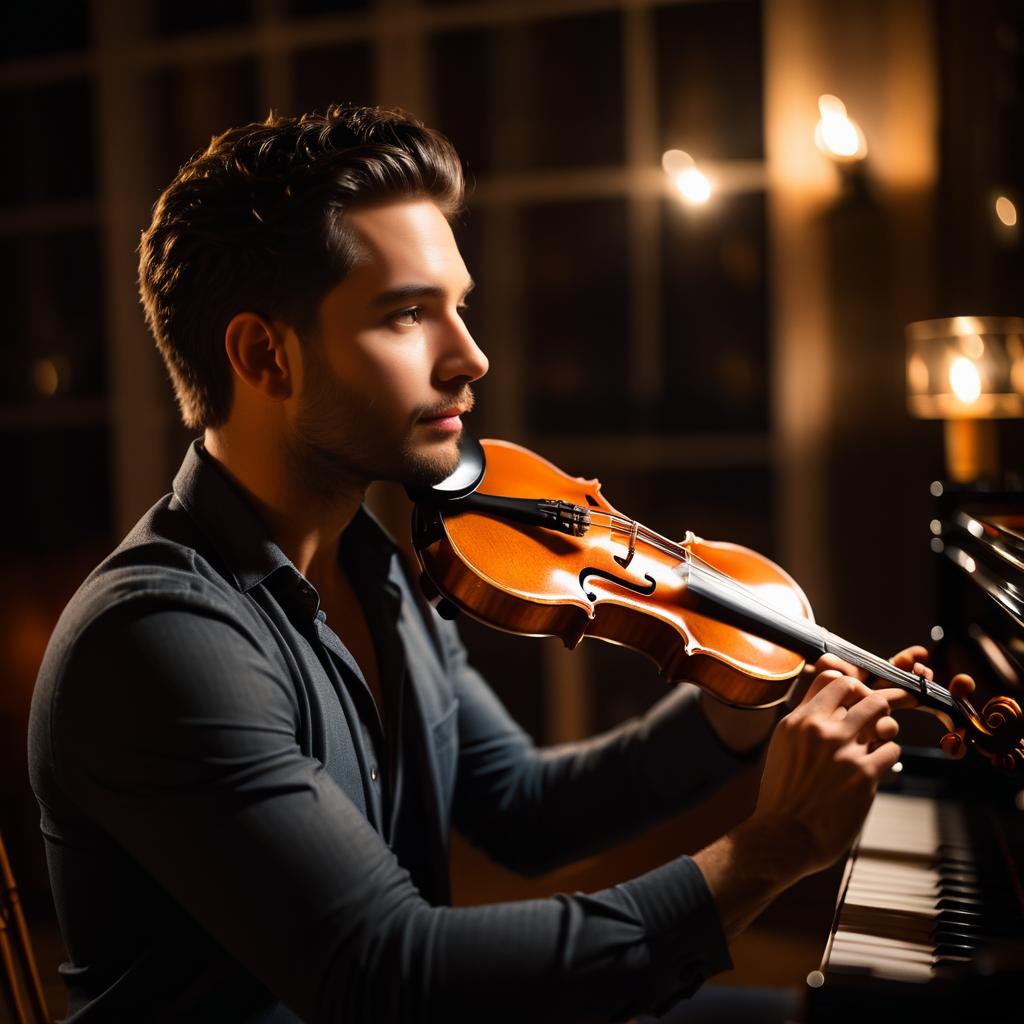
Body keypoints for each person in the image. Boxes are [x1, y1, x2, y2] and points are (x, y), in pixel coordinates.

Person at [28, 105, 973, 1023]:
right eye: (407, 317)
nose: (471, 358)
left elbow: (524, 811)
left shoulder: (381, 569)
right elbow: (388, 977)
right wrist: (773, 849)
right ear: (262, 355)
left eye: (459, 309)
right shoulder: (159, 638)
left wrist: (733, 711)